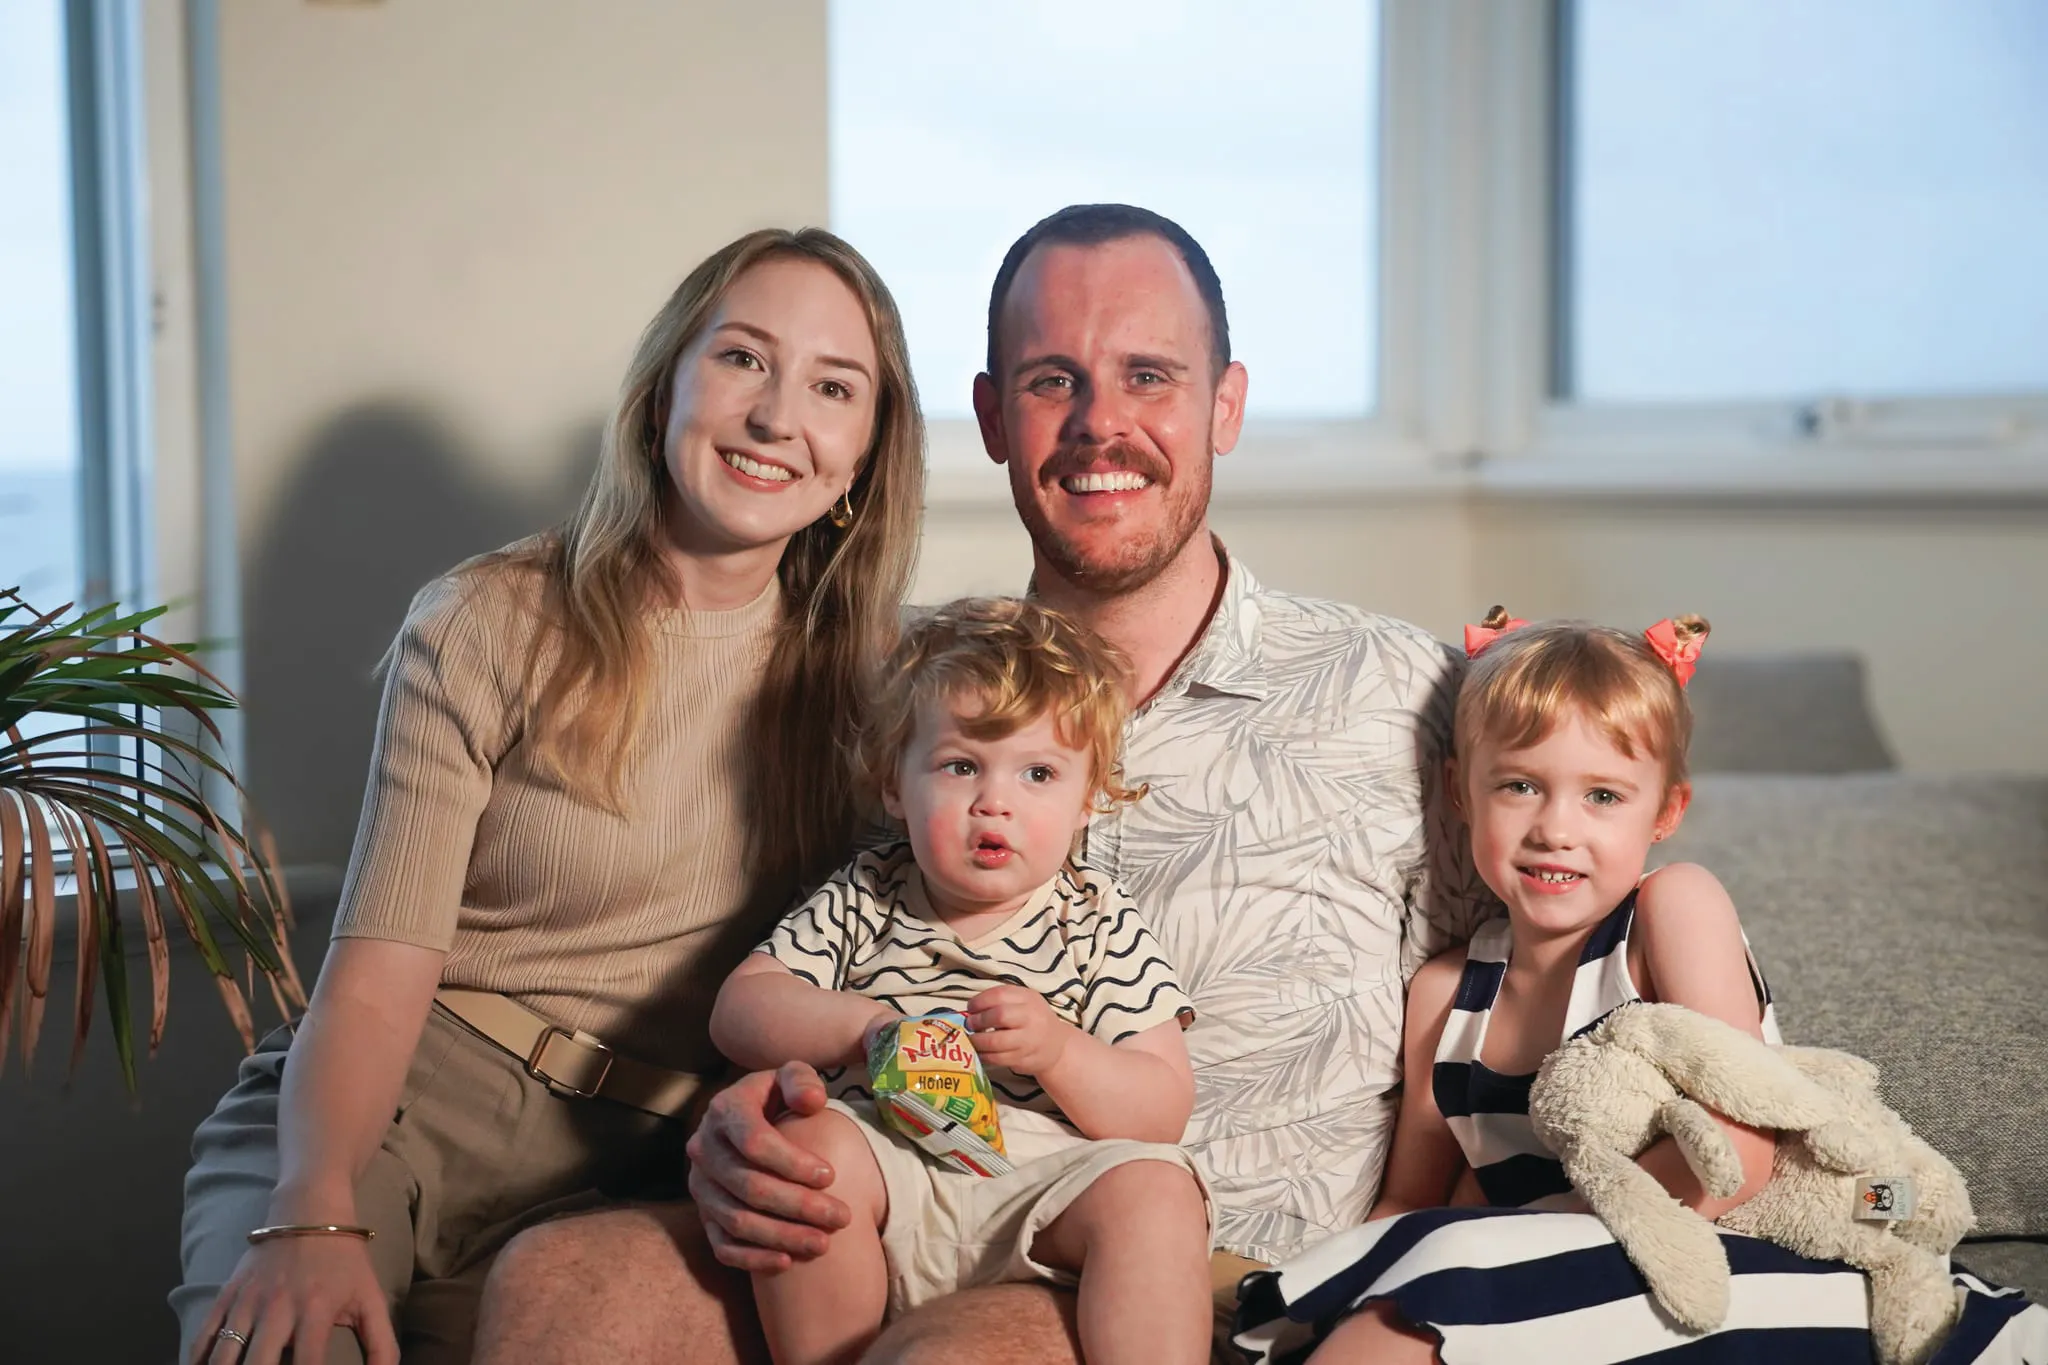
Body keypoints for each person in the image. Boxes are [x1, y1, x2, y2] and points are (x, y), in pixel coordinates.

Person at [471, 203, 1493, 1364]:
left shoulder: (1405, 695)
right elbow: (774, 981)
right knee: (560, 1278)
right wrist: (734, 1125)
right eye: (1053, 382)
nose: (1100, 425)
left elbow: (1562, 987)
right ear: (994, 418)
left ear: (1225, 404)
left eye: (1148, 376)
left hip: (1197, 1274)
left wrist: (1424, 1283)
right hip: (886, 1190)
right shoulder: (886, 695)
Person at [172, 226, 926, 1365]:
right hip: (400, 1107)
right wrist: (315, 1202)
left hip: (651, 1162)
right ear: (663, 386)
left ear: (863, 458)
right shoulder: (490, 620)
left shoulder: (882, 687)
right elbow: (378, 979)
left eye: (833, 386)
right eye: (741, 359)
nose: (778, 416)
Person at [1279, 606, 1789, 1362]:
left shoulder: (1670, 912)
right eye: (1520, 785)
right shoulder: (1445, 995)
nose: (1556, 827)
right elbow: (1409, 1200)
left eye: (1604, 796)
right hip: (1528, 1288)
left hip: (1710, 1264)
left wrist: (1512, 1244)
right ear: (1460, 792)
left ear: (1667, 809)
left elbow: (1741, 1146)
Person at [711, 595, 1211, 1365]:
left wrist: (1058, 1052)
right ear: (892, 786)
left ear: (1088, 802)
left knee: (1158, 1192)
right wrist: (865, 1028)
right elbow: (741, 1009)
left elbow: (1161, 1106)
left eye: (1039, 772)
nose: (995, 801)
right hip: (887, 1157)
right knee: (810, 1152)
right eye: (960, 765)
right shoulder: (865, 892)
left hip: (1043, 1180)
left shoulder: (1094, 918)